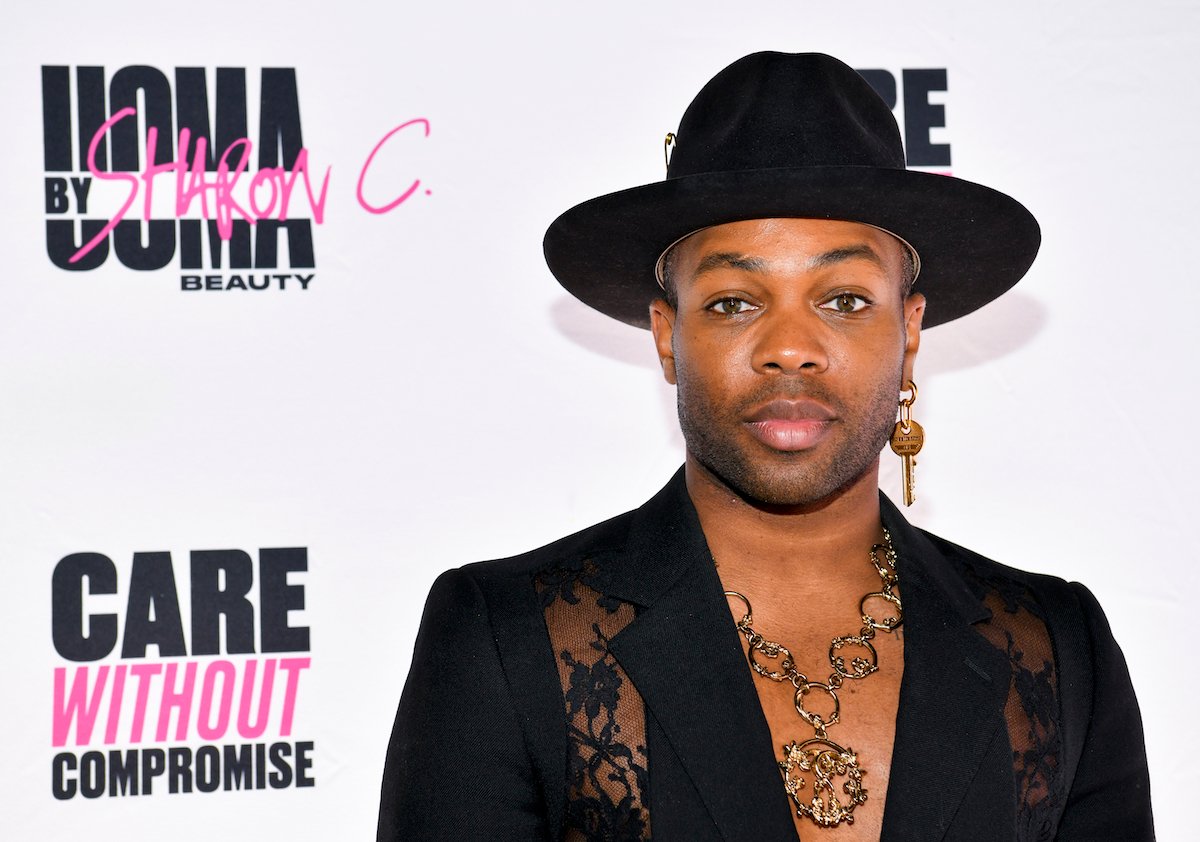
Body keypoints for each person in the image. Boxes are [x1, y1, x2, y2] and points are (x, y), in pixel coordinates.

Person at [377, 52, 1153, 841]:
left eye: (846, 299)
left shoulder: (1057, 648)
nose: (791, 347)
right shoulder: (507, 638)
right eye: (734, 301)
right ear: (668, 334)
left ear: (909, 329)